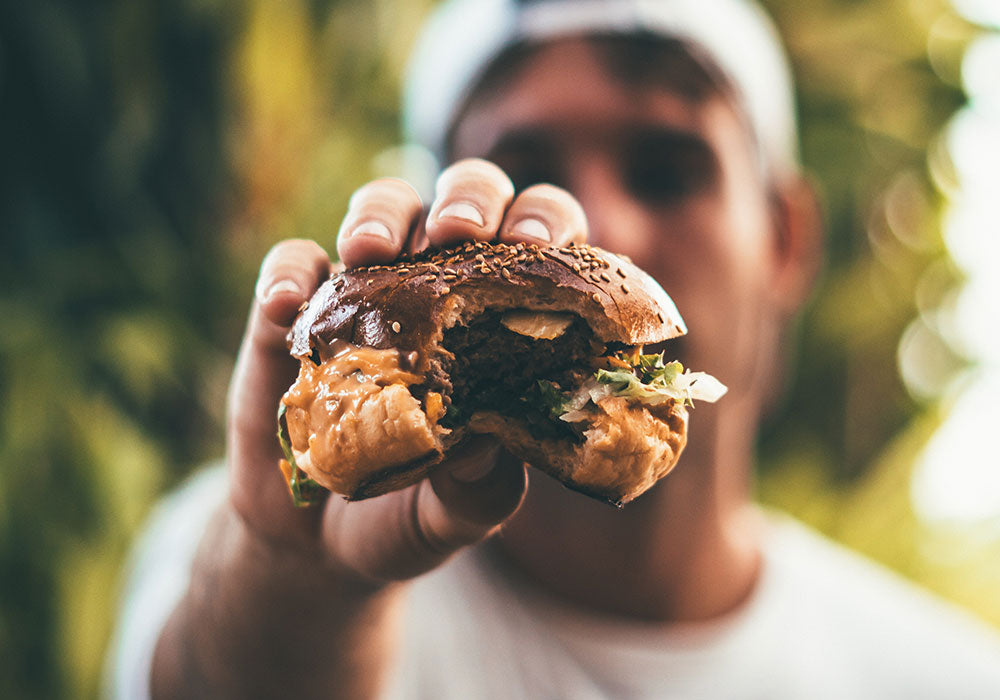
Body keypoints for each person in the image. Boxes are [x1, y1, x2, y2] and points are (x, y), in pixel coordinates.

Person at [107, 0, 1000, 698]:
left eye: (665, 170)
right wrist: (293, 581)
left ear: (783, 240)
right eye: (533, 171)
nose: (600, 229)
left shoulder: (945, 681)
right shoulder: (236, 554)